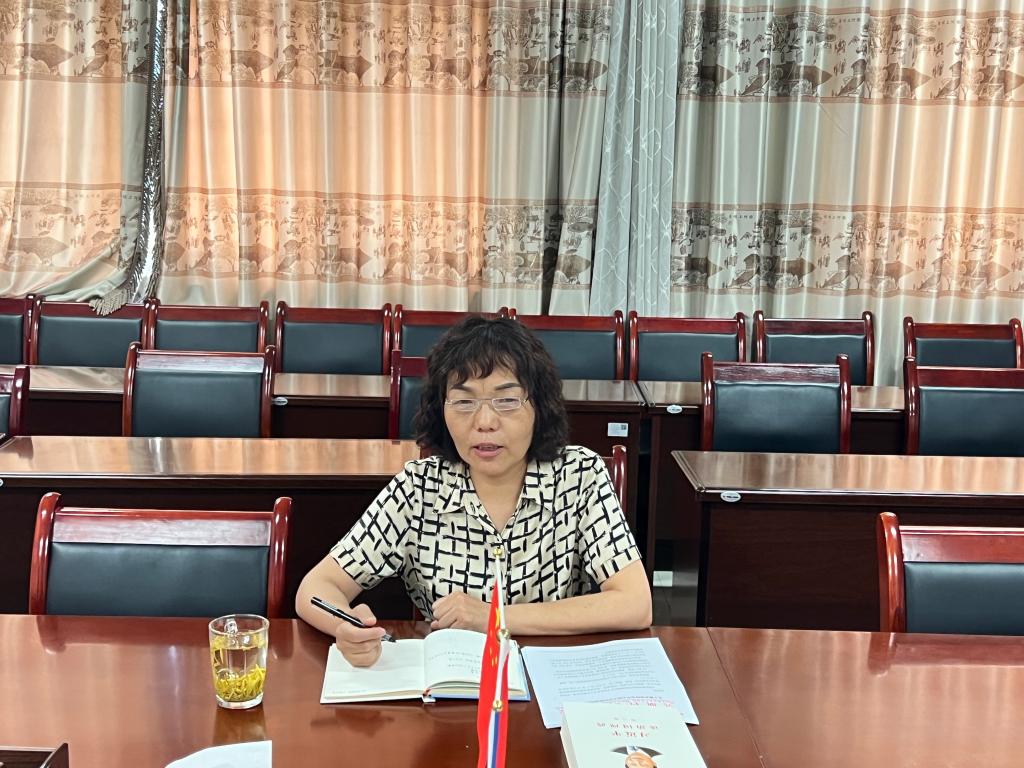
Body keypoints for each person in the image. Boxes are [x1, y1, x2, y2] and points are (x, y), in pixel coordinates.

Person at [296, 316, 652, 666]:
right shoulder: (419, 489)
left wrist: (494, 617)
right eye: (464, 402)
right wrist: (347, 627)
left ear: (540, 406)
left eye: (506, 400)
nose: (484, 422)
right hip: (452, 684)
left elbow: (635, 603)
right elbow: (316, 588)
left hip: (553, 678)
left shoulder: (580, 475)